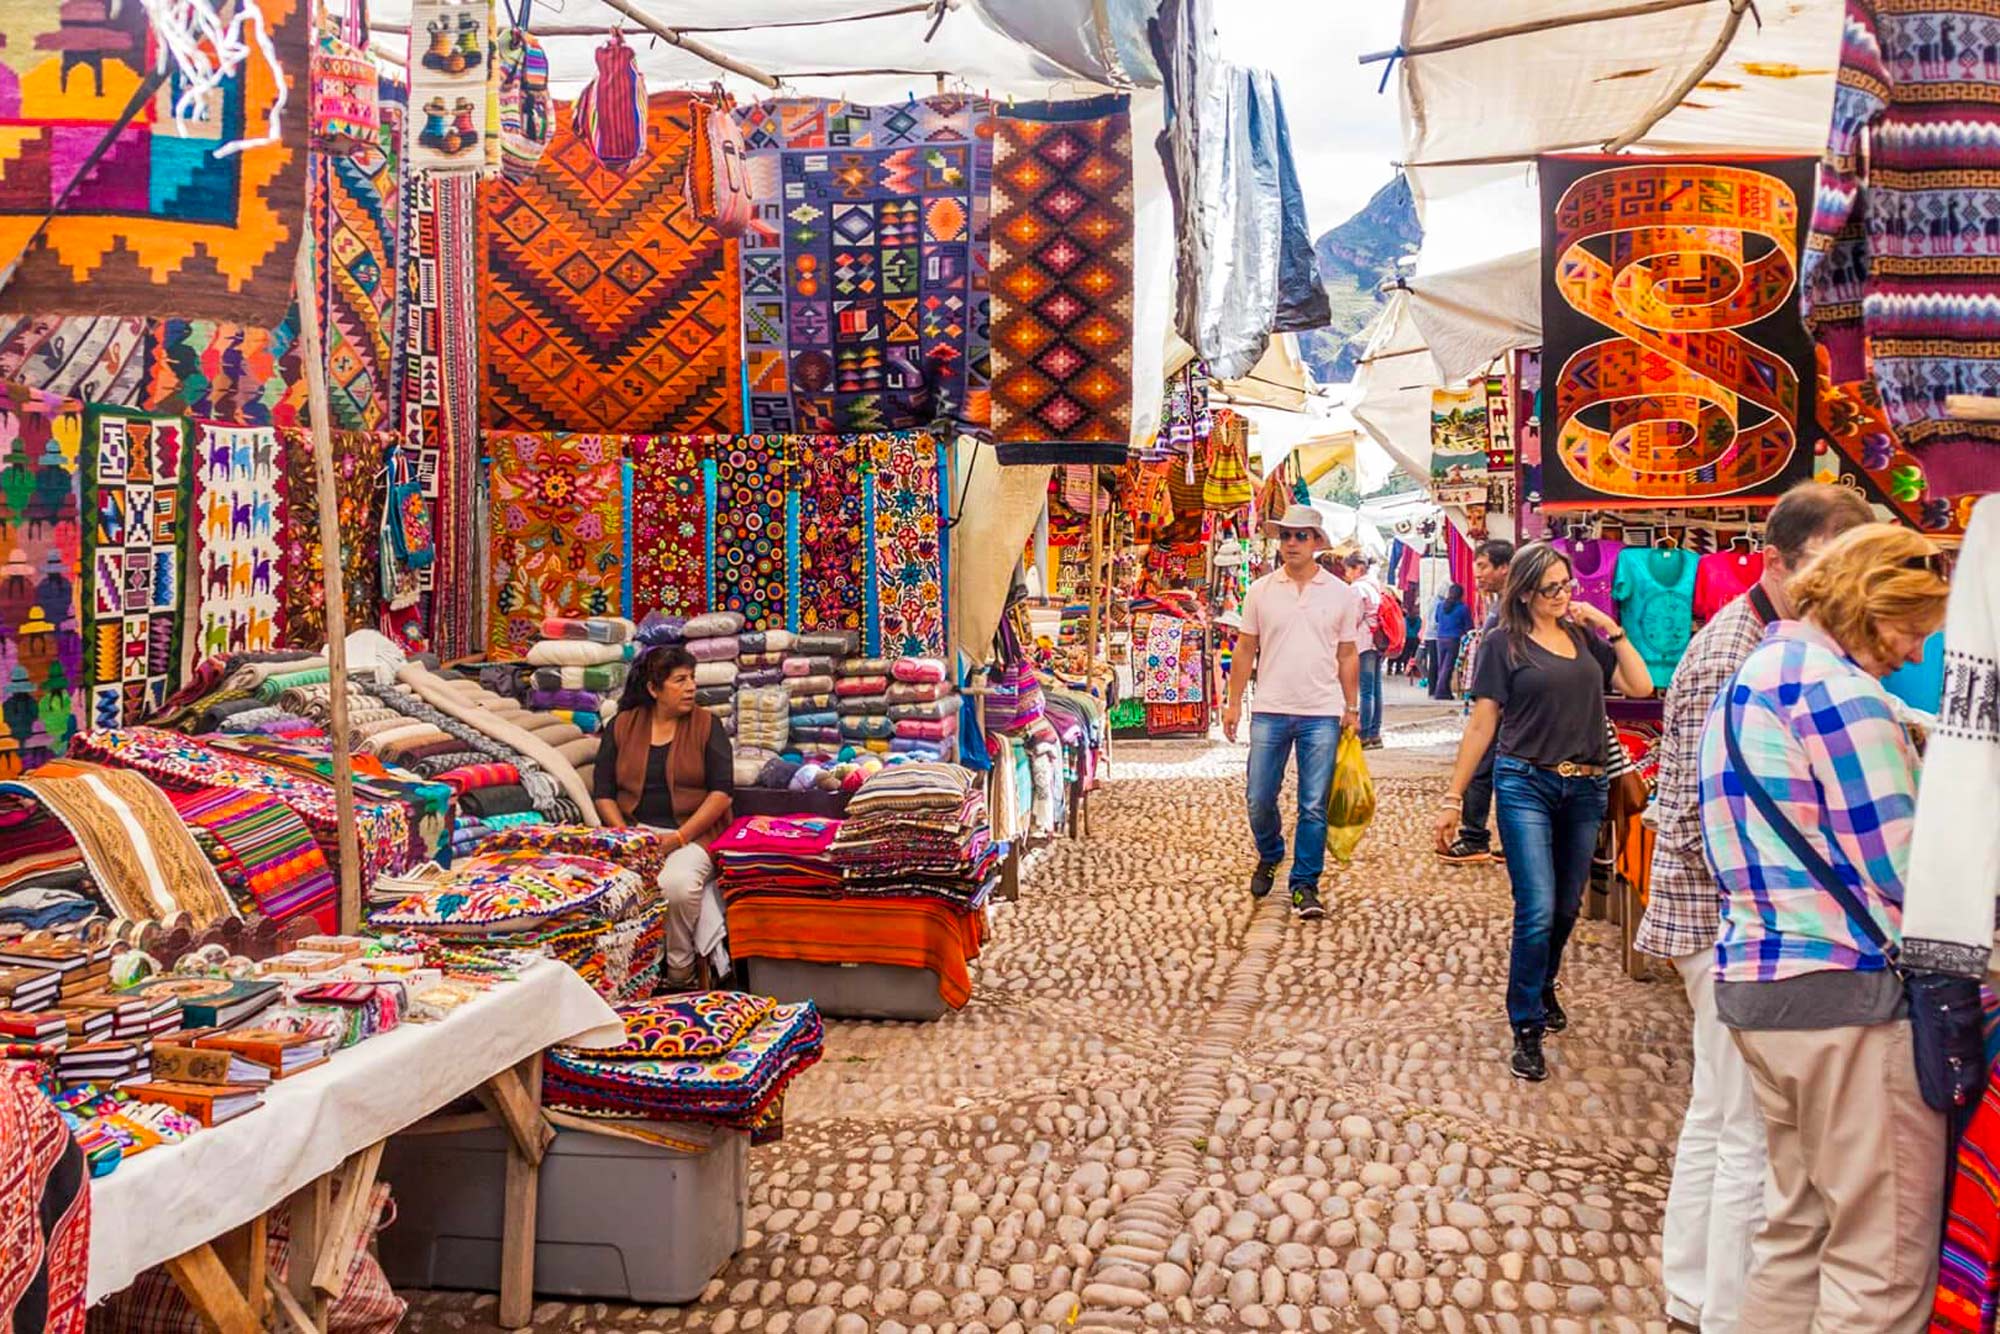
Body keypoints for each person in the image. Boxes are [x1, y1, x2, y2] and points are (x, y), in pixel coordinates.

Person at [1632, 484, 1872, 1334]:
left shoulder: (1761, 640)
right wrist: (1770, 898)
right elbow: (1691, 813)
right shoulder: (1735, 648)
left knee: (1719, 1118)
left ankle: (1695, 1290)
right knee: (1742, 1133)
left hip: (1732, 921)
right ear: (1775, 560)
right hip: (1724, 922)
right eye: (1824, 564)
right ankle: (1726, 1310)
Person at [1699, 524, 1950, 1330]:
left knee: (1797, 1235)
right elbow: (1912, 875)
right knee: (1878, 1266)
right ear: (1868, 608)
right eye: (1910, 630)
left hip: (1763, 988)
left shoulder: (1761, 674)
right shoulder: (1840, 695)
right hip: (1846, 1002)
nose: (1915, 653)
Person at [1432, 543, 1653, 1080]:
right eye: (1551, 588)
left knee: (1565, 909)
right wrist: (1453, 797)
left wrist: (1609, 626)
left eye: (1567, 585)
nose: (1563, 595)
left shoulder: (1582, 638)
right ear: (1526, 592)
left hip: (1586, 787)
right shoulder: (1501, 645)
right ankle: (1525, 1025)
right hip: (1524, 781)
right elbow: (1483, 724)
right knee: (1535, 906)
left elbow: (1640, 686)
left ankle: (1544, 981)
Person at [1222, 504, 1363, 921]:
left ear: (1317, 543)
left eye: (1300, 536)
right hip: (1270, 707)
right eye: (1285, 536)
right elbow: (1245, 647)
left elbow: (1348, 653)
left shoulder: (1340, 594)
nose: (1291, 543)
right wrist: (1232, 704)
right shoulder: (1261, 590)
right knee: (1258, 798)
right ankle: (1271, 852)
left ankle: (1305, 884)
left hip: (1321, 710)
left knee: (1314, 804)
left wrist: (1351, 706)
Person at [594, 645, 736, 990]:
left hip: (695, 833)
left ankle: (679, 973)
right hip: (636, 834)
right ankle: (622, 978)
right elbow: (603, 793)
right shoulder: (623, 725)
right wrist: (628, 836)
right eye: (680, 680)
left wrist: (678, 839)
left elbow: (721, 794)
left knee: (676, 885)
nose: (691, 687)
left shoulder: (706, 725)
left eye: (692, 679)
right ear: (654, 689)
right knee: (602, 888)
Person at [1440, 540, 1516, 863]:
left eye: (1483, 566)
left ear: (1504, 568)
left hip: (1503, 704)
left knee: (1486, 768)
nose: (1477, 574)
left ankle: (1475, 836)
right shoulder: (1502, 604)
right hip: (1495, 700)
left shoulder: (1513, 606)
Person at [1343, 552, 1386, 749]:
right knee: (1376, 689)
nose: (1346, 574)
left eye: (1348, 570)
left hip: (1364, 642)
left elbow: (1354, 618)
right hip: (1377, 641)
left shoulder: (1358, 588)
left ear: (1358, 569)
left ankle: (1366, 735)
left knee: (1366, 690)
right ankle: (1375, 733)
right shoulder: (1375, 585)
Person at [1429, 584, 1473, 700]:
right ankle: (1440, 692)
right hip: (1454, 639)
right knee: (1448, 666)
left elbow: (1437, 619)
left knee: (1442, 665)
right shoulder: (1463, 608)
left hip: (1440, 638)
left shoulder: (1440, 606)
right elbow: (1469, 626)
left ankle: (1445, 690)